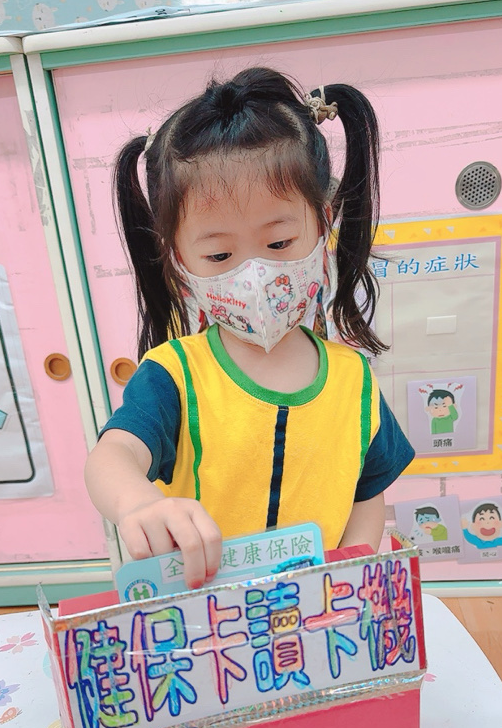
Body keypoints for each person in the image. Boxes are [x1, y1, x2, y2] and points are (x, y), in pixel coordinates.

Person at [85, 67, 414, 589]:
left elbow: (366, 495)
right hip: (207, 616)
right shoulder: (175, 375)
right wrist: (136, 502)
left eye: (279, 243)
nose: (255, 273)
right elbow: (114, 454)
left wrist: (350, 567)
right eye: (219, 254)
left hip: (316, 611)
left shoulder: (354, 380)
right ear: (177, 257)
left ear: (322, 221)